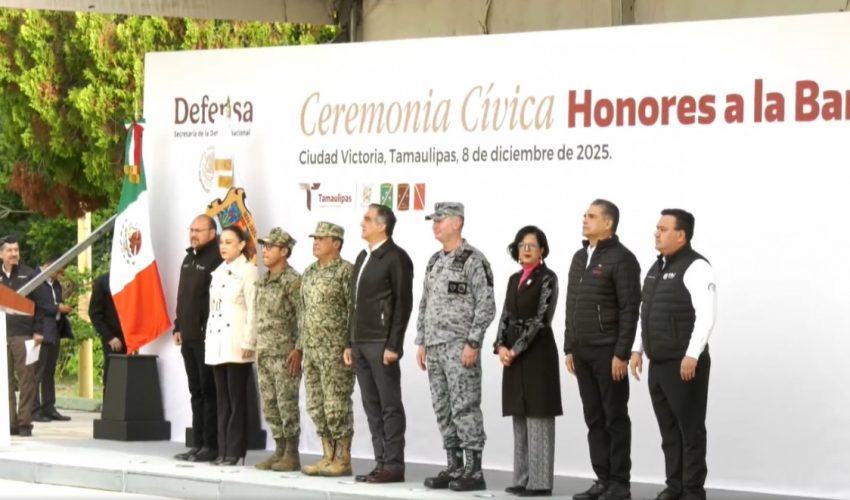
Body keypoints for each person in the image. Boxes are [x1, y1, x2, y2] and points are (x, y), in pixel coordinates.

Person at [629, 209, 716, 500]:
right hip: (658, 363)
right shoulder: (655, 269)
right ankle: (675, 486)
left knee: (690, 430)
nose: (656, 232)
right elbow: (645, 313)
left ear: (681, 235)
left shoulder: (697, 266)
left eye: (663, 228)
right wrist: (637, 350)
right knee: (669, 431)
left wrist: (692, 354)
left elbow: (706, 314)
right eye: (657, 227)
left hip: (683, 363)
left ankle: (692, 490)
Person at [415, 202, 496, 492]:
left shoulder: (474, 259)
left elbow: (486, 305)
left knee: (465, 406)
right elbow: (424, 303)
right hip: (435, 346)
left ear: (457, 222)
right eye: (433, 220)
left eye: (440, 219)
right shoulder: (434, 261)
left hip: (460, 347)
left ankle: (474, 470)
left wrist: (473, 342)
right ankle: (454, 465)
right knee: (443, 408)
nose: (435, 225)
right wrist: (422, 341)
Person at [564, 200, 642, 500]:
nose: (585, 220)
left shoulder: (623, 259)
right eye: (585, 215)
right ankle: (602, 479)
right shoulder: (579, 257)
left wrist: (621, 353)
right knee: (594, 418)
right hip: (582, 352)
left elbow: (629, 309)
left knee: (614, 417)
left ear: (608, 223)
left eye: (592, 216)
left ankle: (620, 484)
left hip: (608, 353)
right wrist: (569, 346)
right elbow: (571, 305)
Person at [344, 204, 414, 483]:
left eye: (368, 219)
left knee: (389, 405)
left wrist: (394, 345)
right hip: (361, 342)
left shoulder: (396, 257)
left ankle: (394, 465)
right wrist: (349, 342)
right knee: (372, 405)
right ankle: (381, 462)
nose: (362, 223)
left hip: (381, 343)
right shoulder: (363, 256)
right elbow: (354, 304)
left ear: (382, 226)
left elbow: (403, 304)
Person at [494, 226, 562, 497]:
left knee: (538, 414)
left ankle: (540, 483)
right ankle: (522, 479)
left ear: (542, 250)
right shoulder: (514, 279)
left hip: (537, 353)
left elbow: (541, 319)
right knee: (519, 413)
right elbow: (506, 315)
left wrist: (516, 349)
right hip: (512, 354)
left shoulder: (548, 278)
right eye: (522, 245)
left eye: (532, 245)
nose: (526, 249)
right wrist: (500, 346)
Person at [299, 221, 355, 477]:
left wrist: (349, 344)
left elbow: (353, 311)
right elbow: (303, 312)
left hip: (335, 352)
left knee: (336, 405)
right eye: (315, 238)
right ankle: (327, 455)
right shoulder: (309, 272)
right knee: (316, 405)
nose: (316, 242)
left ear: (336, 243)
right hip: (311, 350)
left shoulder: (346, 272)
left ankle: (343, 459)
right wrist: (300, 346)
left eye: (322, 238)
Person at [204, 225, 258, 466]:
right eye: (221, 242)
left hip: (237, 341)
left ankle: (235, 451)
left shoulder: (248, 271)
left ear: (242, 245)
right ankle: (223, 449)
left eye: (229, 242)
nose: (223, 246)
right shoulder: (217, 272)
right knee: (222, 399)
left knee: (236, 399)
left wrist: (249, 341)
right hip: (217, 342)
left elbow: (253, 308)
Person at [173, 214, 222, 462]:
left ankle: (211, 445)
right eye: (191, 230)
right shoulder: (188, 258)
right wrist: (178, 325)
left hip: (206, 336)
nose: (193, 234)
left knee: (208, 390)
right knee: (196, 391)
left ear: (212, 233)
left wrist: (205, 327)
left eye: (199, 230)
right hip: (188, 335)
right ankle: (198, 443)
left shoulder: (217, 257)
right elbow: (183, 296)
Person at [253, 228, 302, 472]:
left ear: (284, 251)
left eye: (270, 247)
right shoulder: (263, 280)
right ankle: (279, 450)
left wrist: (299, 349)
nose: (265, 251)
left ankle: (291, 454)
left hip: (285, 355)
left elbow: (304, 316)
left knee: (286, 403)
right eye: (264, 246)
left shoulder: (293, 281)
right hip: (264, 352)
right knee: (270, 404)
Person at [0, 236, 40, 437]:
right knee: (4, 381)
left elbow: (41, 305)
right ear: (1, 254)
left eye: (16, 250)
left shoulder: (29, 274)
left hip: (23, 335)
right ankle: (9, 423)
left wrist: (38, 330)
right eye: (9, 250)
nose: (14, 254)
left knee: (27, 380)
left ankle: (24, 423)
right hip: (1, 334)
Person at [32, 257, 73, 422]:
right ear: (49, 266)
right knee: (37, 372)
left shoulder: (55, 284)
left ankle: (49, 407)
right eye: (58, 271)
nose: (59, 276)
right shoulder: (34, 280)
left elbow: (56, 302)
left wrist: (63, 308)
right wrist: (57, 308)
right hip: (40, 329)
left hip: (54, 329)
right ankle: (34, 409)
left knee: (49, 371)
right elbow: (36, 305)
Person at [88, 272, 126, 395]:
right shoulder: (103, 282)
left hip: (133, 338)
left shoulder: (133, 276)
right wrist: (110, 337)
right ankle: (110, 405)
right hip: (113, 339)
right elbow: (95, 314)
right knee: (113, 376)